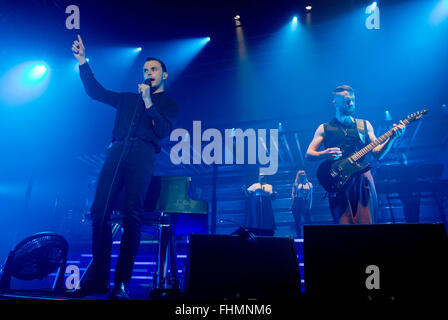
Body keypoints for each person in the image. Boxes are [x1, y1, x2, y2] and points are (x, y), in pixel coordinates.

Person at [71, 35, 179, 299]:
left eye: (153, 69)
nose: (148, 73)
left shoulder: (168, 104)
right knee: (99, 212)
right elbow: (97, 92)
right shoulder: (128, 98)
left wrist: (149, 103)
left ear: (164, 74)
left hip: (143, 153)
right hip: (117, 149)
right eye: (145, 70)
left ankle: (121, 283)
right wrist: (83, 62)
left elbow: (163, 130)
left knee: (132, 216)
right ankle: (98, 279)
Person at [305, 85, 405, 225]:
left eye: (352, 100)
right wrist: (324, 153)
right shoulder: (324, 128)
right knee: (344, 226)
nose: (351, 103)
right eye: (346, 100)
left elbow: (377, 153)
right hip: (338, 180)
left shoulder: (364, 125)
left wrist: (392, 138)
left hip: (361, 178)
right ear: (334, 101)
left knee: (366, 224)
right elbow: (309, 154)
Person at [291, 170, 312, 237]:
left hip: (305, 202)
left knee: (308, 220)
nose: (302, 174)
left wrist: (310, 205)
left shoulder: (309, 184)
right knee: (297, 221)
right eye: (300, 173)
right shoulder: (296, 184)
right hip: (298, 202)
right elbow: (293, 194)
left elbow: (311, 196)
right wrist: (292, 204)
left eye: (303, 173)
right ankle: (298, 235)